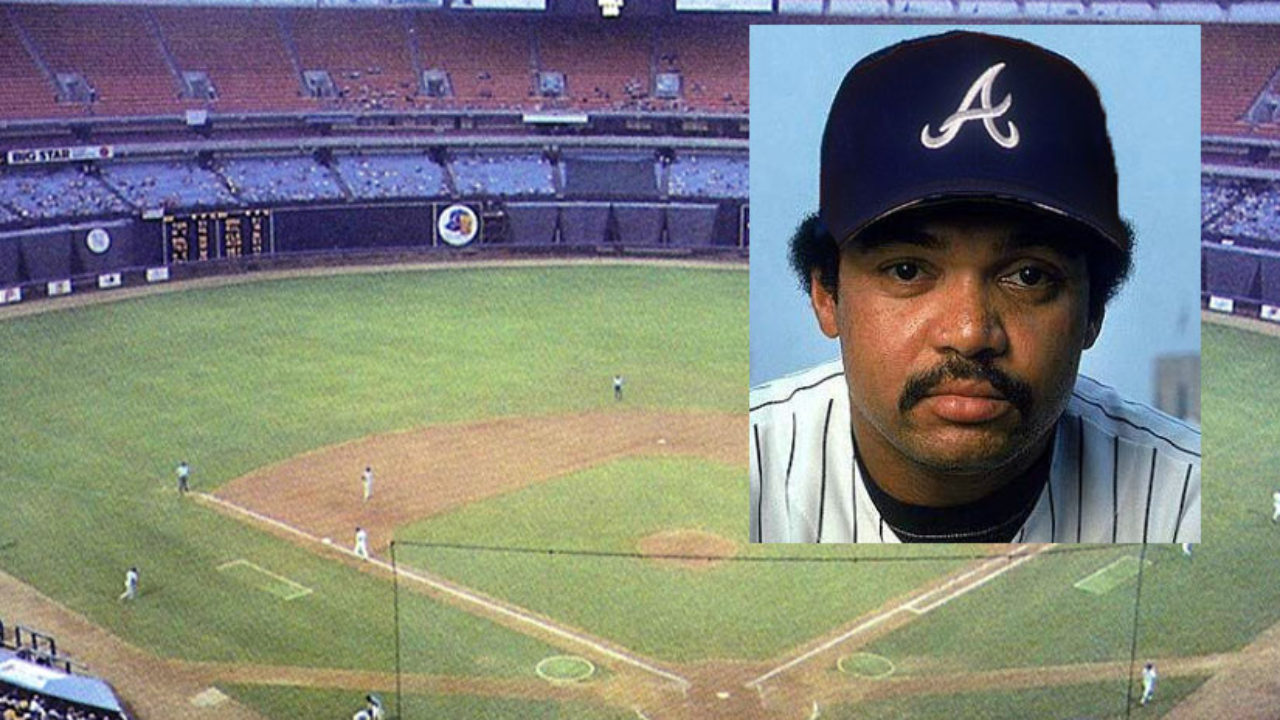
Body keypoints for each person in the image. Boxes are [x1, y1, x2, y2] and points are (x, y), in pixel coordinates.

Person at [749, 30, 1200, 543]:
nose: (969, 333)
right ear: (827, 294)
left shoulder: (1186, 494)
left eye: (1028, 276)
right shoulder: (750, 463)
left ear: (1093, 308)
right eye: (908, 270)